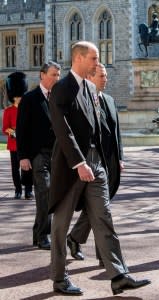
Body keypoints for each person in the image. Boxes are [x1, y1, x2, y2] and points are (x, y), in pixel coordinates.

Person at [48, 41, 150, 296]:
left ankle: (118, 275)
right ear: (79, 58)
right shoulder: (62, 88)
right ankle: (60, 279)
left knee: (104, 219)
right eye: (94, 59)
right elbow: (63, 130)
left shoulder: (88, 89)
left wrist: (107, 162)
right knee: (61, 225)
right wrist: (79, 163)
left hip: (97, 166)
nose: (97, 62)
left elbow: (101, 131)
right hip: (72, 167)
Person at [66, 63, 125, 267]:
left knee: (99, 207)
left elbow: (116, 133)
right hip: (91, 161)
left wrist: (120, 158)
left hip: (109, 161)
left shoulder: (109, 100)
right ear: (90, 78)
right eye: (102, 76)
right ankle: (105, 256)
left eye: (106, 75)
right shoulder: (82, 100)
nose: (105, 79)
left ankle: (75, 237)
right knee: (101, 209)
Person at [16, 61, 61, 250]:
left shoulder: (59, 98)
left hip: (57, 155)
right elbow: (21, 129)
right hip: (37, 154)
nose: (57, 78)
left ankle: (38, 233)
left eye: (58, 75)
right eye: (53, 74)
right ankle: (44, 235)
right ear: (42, 75)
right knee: (45, 192)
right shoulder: (30, 98)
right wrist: (23, 157)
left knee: (50, 195)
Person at [2, 72, 33, 200]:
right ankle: (18, 190)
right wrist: (15, 133)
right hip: (14, 144)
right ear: (13, 97)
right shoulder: (8, 111)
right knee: (15, 169)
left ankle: (28, 190)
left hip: (26, 143)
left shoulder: (28, 108)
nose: (19, 98)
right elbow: (5, 128)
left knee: (27, 168)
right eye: (17, 97)